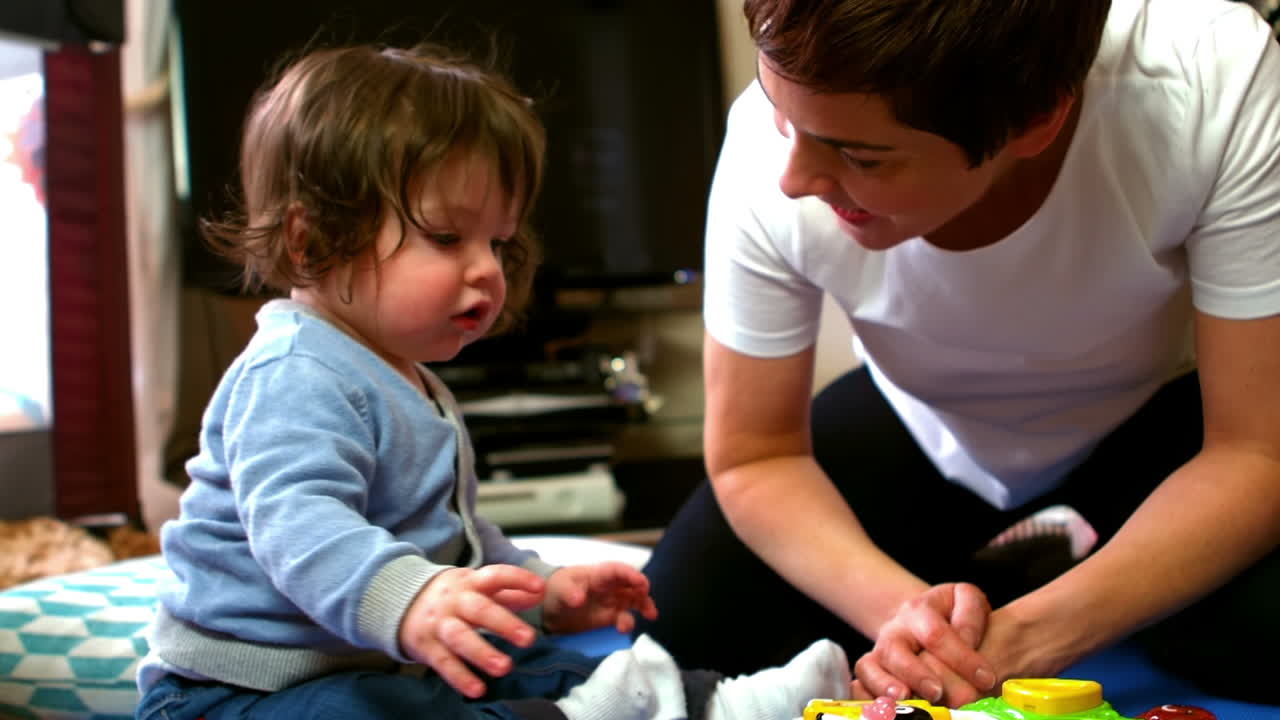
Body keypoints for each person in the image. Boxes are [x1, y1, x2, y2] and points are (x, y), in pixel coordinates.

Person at [133, 42, 855, 720]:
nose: (487, 269)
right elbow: (301, 529)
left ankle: (709, 702)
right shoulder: (294, 373)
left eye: (499, 242)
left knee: (537, 661)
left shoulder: (404, 378)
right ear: (310, 239)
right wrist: (414, 602)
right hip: (243, 690)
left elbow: (458, 538)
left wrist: (542, 593)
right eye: (448, 238)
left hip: (379, 662)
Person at [636, 0, 1280, 708]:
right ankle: (988, 584)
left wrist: (1035, 635)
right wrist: (912, 625)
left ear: (1037, 121)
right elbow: (758, 457)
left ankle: (1050, 583)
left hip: (1156, 426)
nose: (792, 178)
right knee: (680, 628)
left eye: (859, 155)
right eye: (781, 114)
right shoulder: (767, 156)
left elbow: (1254, 452)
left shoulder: (1210, 83)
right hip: (917, 419)